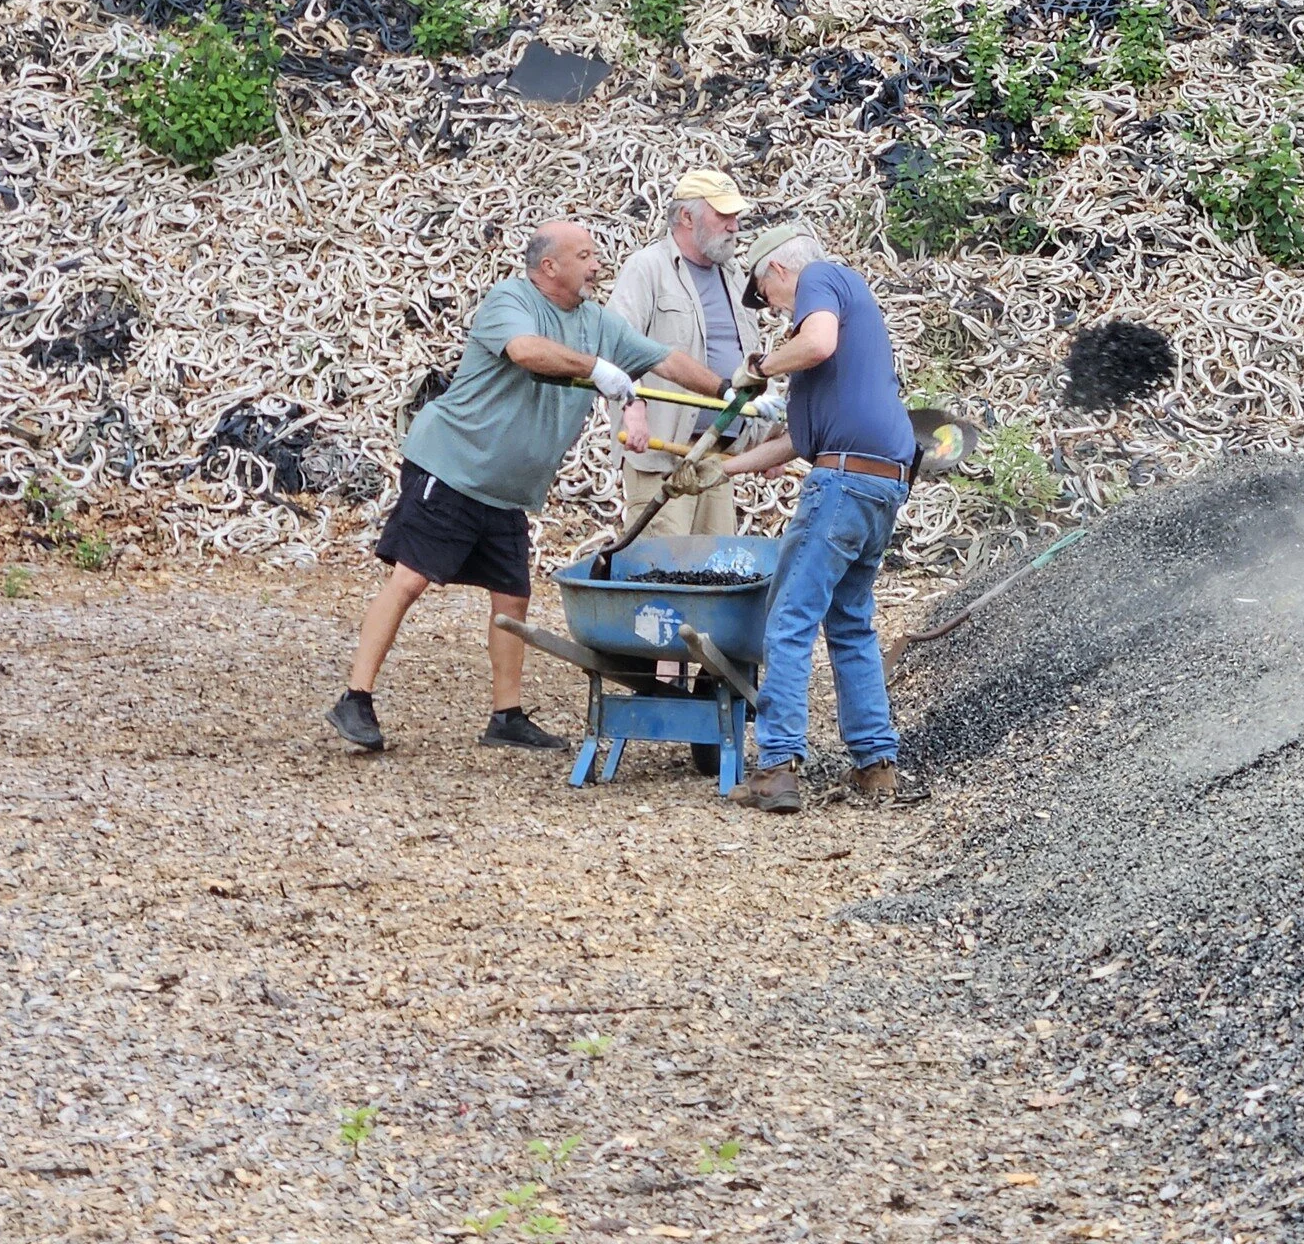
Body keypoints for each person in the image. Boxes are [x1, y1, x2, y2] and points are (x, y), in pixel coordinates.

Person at [326, 221, 751, 754]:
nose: (597, 265)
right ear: (549, 266)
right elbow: (527, 351)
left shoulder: (597, 321)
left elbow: (665, 358)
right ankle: (356, 697)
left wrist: (731, 391)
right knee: (410, 579)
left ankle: (505, 717)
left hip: (506, 487)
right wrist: (597, 369)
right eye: (585, 256)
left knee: (513, 597)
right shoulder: (511, 300)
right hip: (454, 466)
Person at [716, 225, 916, 813]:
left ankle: (777, 767)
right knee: (850, 623)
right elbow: (799, 442)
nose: (778, 309)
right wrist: (723, 470)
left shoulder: (822, 279)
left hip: (844, 482)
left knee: (788, 619)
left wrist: (761, 366)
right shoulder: (843, 330)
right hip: (881, 481)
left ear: (778, 271)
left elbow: (818, 342)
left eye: (767, 295)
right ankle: (875, 765)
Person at [607, 169, 782, 538]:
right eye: (723, 216)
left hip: (719, 456)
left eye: (735, 216)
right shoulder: (648, 268)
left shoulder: (733, 276)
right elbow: (615, 344)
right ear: (687, 217)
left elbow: (747, 360)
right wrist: (632, 409)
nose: (734, 226)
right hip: (663, 453)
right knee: (661, 560)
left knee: (713, 562)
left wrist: (768, 440)